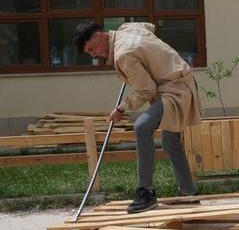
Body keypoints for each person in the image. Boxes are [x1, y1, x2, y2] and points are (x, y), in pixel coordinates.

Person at [74, 21, 202, 213]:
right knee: (170, 140)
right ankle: (189, 193)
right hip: (178, 81)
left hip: (175, 90)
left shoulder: (124, 54)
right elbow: (150, 27)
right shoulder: (128, 28)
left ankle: (146, 192)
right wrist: (151, 56)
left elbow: (147, 90)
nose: (94, 55)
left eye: (93, 49)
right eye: (89, 53)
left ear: (101, 36)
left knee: (142, 126)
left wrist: (121, 108)